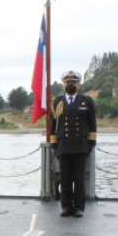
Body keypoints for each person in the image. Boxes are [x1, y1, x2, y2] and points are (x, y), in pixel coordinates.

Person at [50, 71, 96, 217]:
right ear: (64, 84)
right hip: (63, 146)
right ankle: (66, 206)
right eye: (68, 82)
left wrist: (90, 145)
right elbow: (53, 125)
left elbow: (92, 125)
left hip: (80, 146)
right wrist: (54, 145)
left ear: (78, 84)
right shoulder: (57, 102)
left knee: (79, 179)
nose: (70, 84)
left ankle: (78, 207)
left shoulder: (86, 101)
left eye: (73, 82)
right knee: (65, 179)